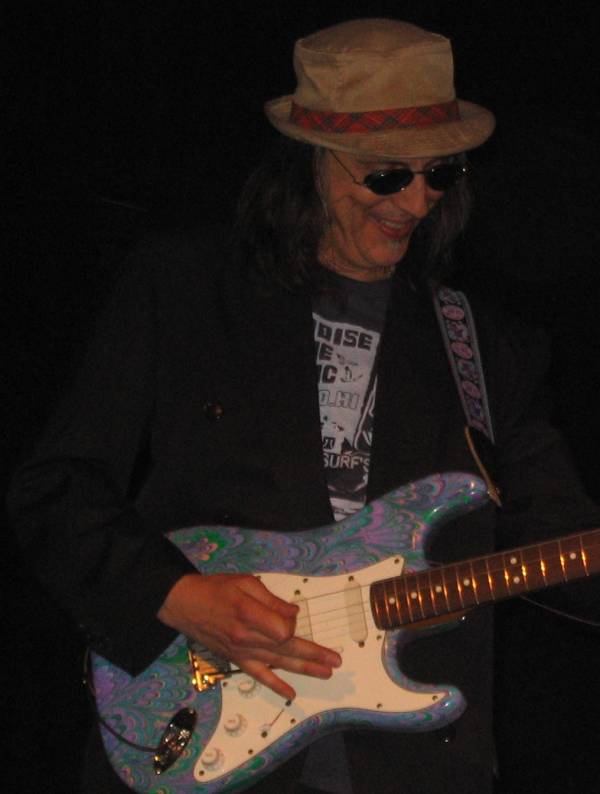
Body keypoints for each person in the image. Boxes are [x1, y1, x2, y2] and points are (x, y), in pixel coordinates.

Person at [8, 18, 599, 794]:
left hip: (413, 768)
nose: (416, 202)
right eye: (387, 175)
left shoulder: (485, 345)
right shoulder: (181, 289)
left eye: (441, 173)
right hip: (203, 734)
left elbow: (562, 538)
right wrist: (174, 595)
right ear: (310, 160)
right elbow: (55, 491)